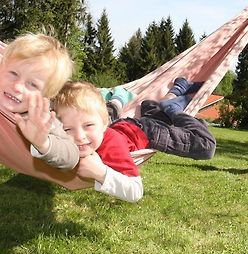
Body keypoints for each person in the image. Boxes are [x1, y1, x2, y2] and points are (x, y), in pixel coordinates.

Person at [53, 78, 216, 202]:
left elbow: (135, 191)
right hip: (128, 124)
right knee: (152, 109)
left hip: (149, 132)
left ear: (104, 124)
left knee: (205, 146)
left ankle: (173, 109)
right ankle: (177, 91)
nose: (79, 136)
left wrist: (101, 173)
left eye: (88, 125)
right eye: (68, 129)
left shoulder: (112, 146)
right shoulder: (66, 139)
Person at [0, 32, 79, 170]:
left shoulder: (40, 120)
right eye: (13, 73)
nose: (17, 86)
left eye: (32, 84)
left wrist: (44, 142)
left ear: (46, 95)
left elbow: (72, 156)